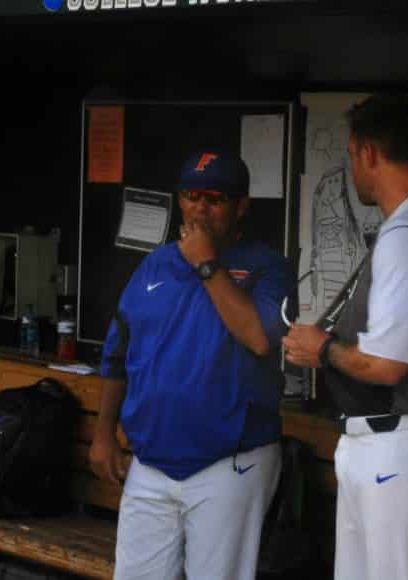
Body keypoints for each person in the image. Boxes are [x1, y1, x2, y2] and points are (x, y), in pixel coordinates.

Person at [283, 93, 408, 580]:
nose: (353, 167)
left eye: (351, 155)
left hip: (405, 442)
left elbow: (387, 365)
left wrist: (319, 348)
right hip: (382, 441)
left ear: (368, 153)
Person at [90, 151, 293, 580]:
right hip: (150, 463)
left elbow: (258, 337)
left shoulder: (267, 267)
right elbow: (117, 357)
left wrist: (206, 264)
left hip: (229, 462)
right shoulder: (154, 265)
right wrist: (104, 432)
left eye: (214, 197)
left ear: (241, 205)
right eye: (191, 195)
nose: (200, 208)